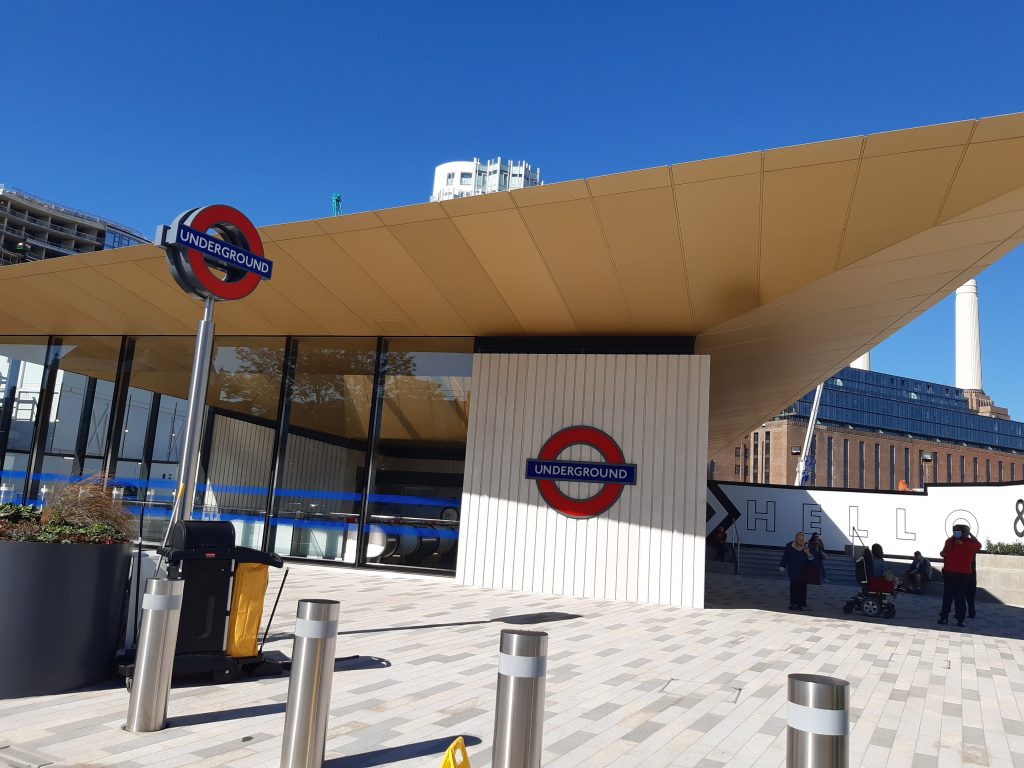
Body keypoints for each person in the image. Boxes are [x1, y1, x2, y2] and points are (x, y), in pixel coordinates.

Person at [939, 524, 982, 627]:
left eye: (958, 531)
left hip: (963, 574)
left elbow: (979, 545)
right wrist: (942, 553)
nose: (955, 532)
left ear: (963, 532)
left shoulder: (969, 542)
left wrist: (967, 537)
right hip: (949, 571)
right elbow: (944, 551)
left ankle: (960, 619)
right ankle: (944, 617)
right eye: (954, 530)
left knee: (960, 596)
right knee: (947, 596)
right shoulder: (949, 541)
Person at [779, 531, 819, 610]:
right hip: (793, 569)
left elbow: (814, 559)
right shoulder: (789, 546)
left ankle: (801, 604)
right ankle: (793, 604)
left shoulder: (808, 546)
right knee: (793, 586)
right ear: (796, 538)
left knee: (802, 587)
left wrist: (808, 553)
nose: (800, 541)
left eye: (802, 539)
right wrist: (782, 565)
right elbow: (785, 556)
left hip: (804, 571)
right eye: (799, 539)